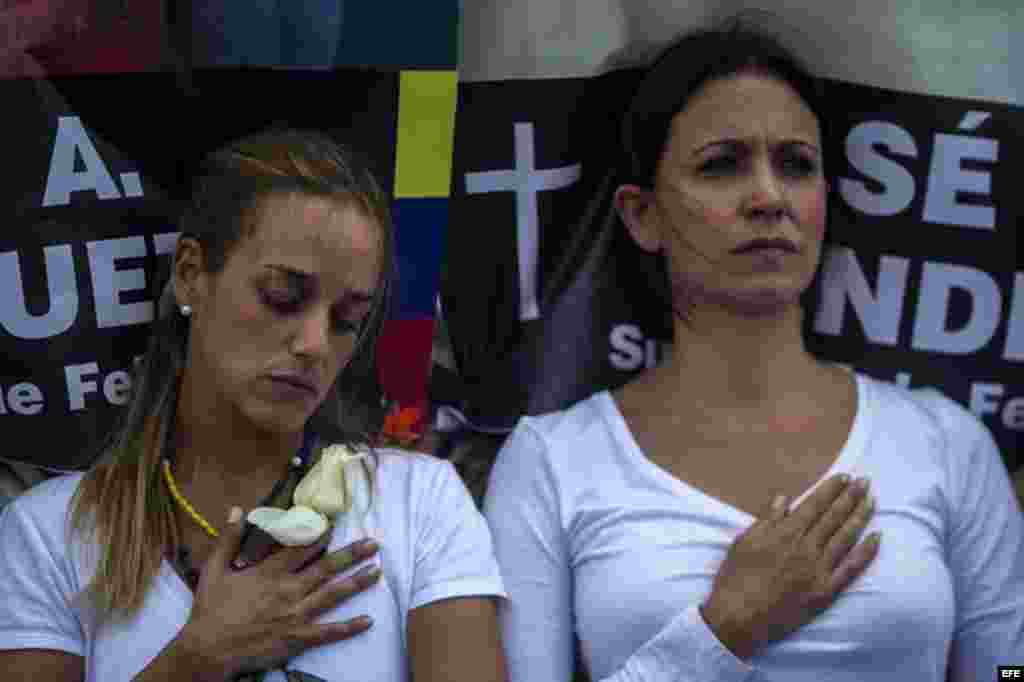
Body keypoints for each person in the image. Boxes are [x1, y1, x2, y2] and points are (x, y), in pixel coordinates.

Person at [483, 20, 1024, 682]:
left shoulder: (946, 443)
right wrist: (725, 629)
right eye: (722, 164)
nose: (768, 197)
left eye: (797, 164)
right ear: (641, 215)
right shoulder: (551, 463)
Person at [0, 129, 508, 682]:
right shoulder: (53, 532)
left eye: (347, 320)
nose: (314, 344)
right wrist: (197, 660)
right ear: (192, 275)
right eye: (283, 297)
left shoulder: (418, 504)